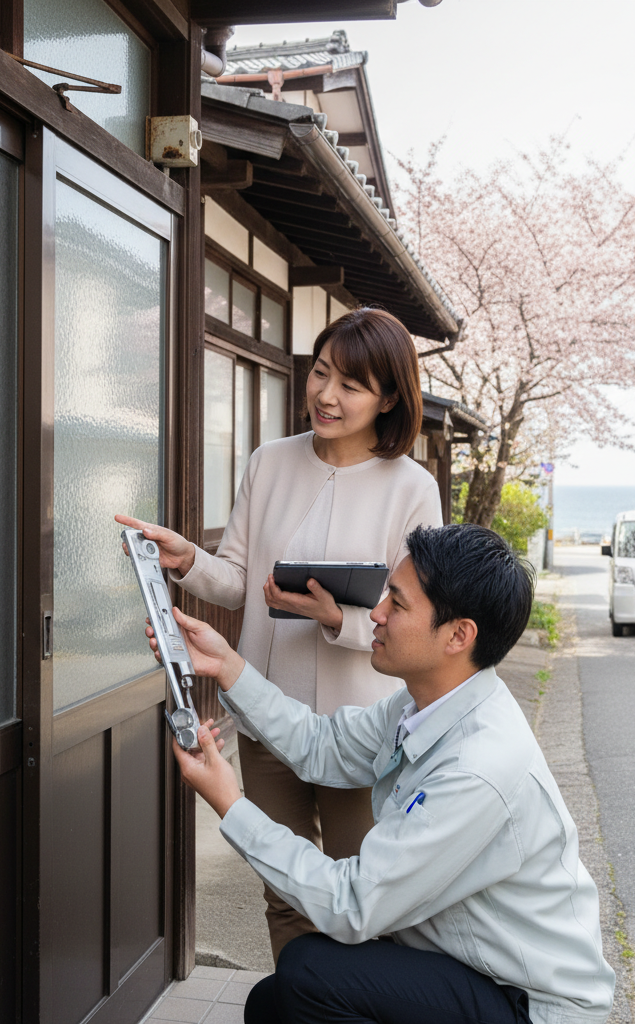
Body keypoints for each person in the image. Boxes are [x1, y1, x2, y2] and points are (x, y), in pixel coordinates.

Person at [151, 524, 616, 1024]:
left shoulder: (478, 766)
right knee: (274, 1002)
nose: (375, 613)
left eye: (397, 603)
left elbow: (353, 904)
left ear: (459, 635)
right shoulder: (426, 702)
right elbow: (322, 745)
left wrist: (230, 804)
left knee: (307, 975)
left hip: (528, 1003)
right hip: (470, 968)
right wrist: (228, 666)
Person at [117, 308, 443, 960]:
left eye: (351, 385)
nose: (326, 394)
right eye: (321, 373)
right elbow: (238, 580)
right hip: (268, 719)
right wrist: (188, 559)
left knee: (362, 899)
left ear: (388, 399)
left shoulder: (412, 487)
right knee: (284, 891)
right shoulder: (270, 462)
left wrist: (339, 619)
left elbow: (419, 617)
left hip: (361, 730)